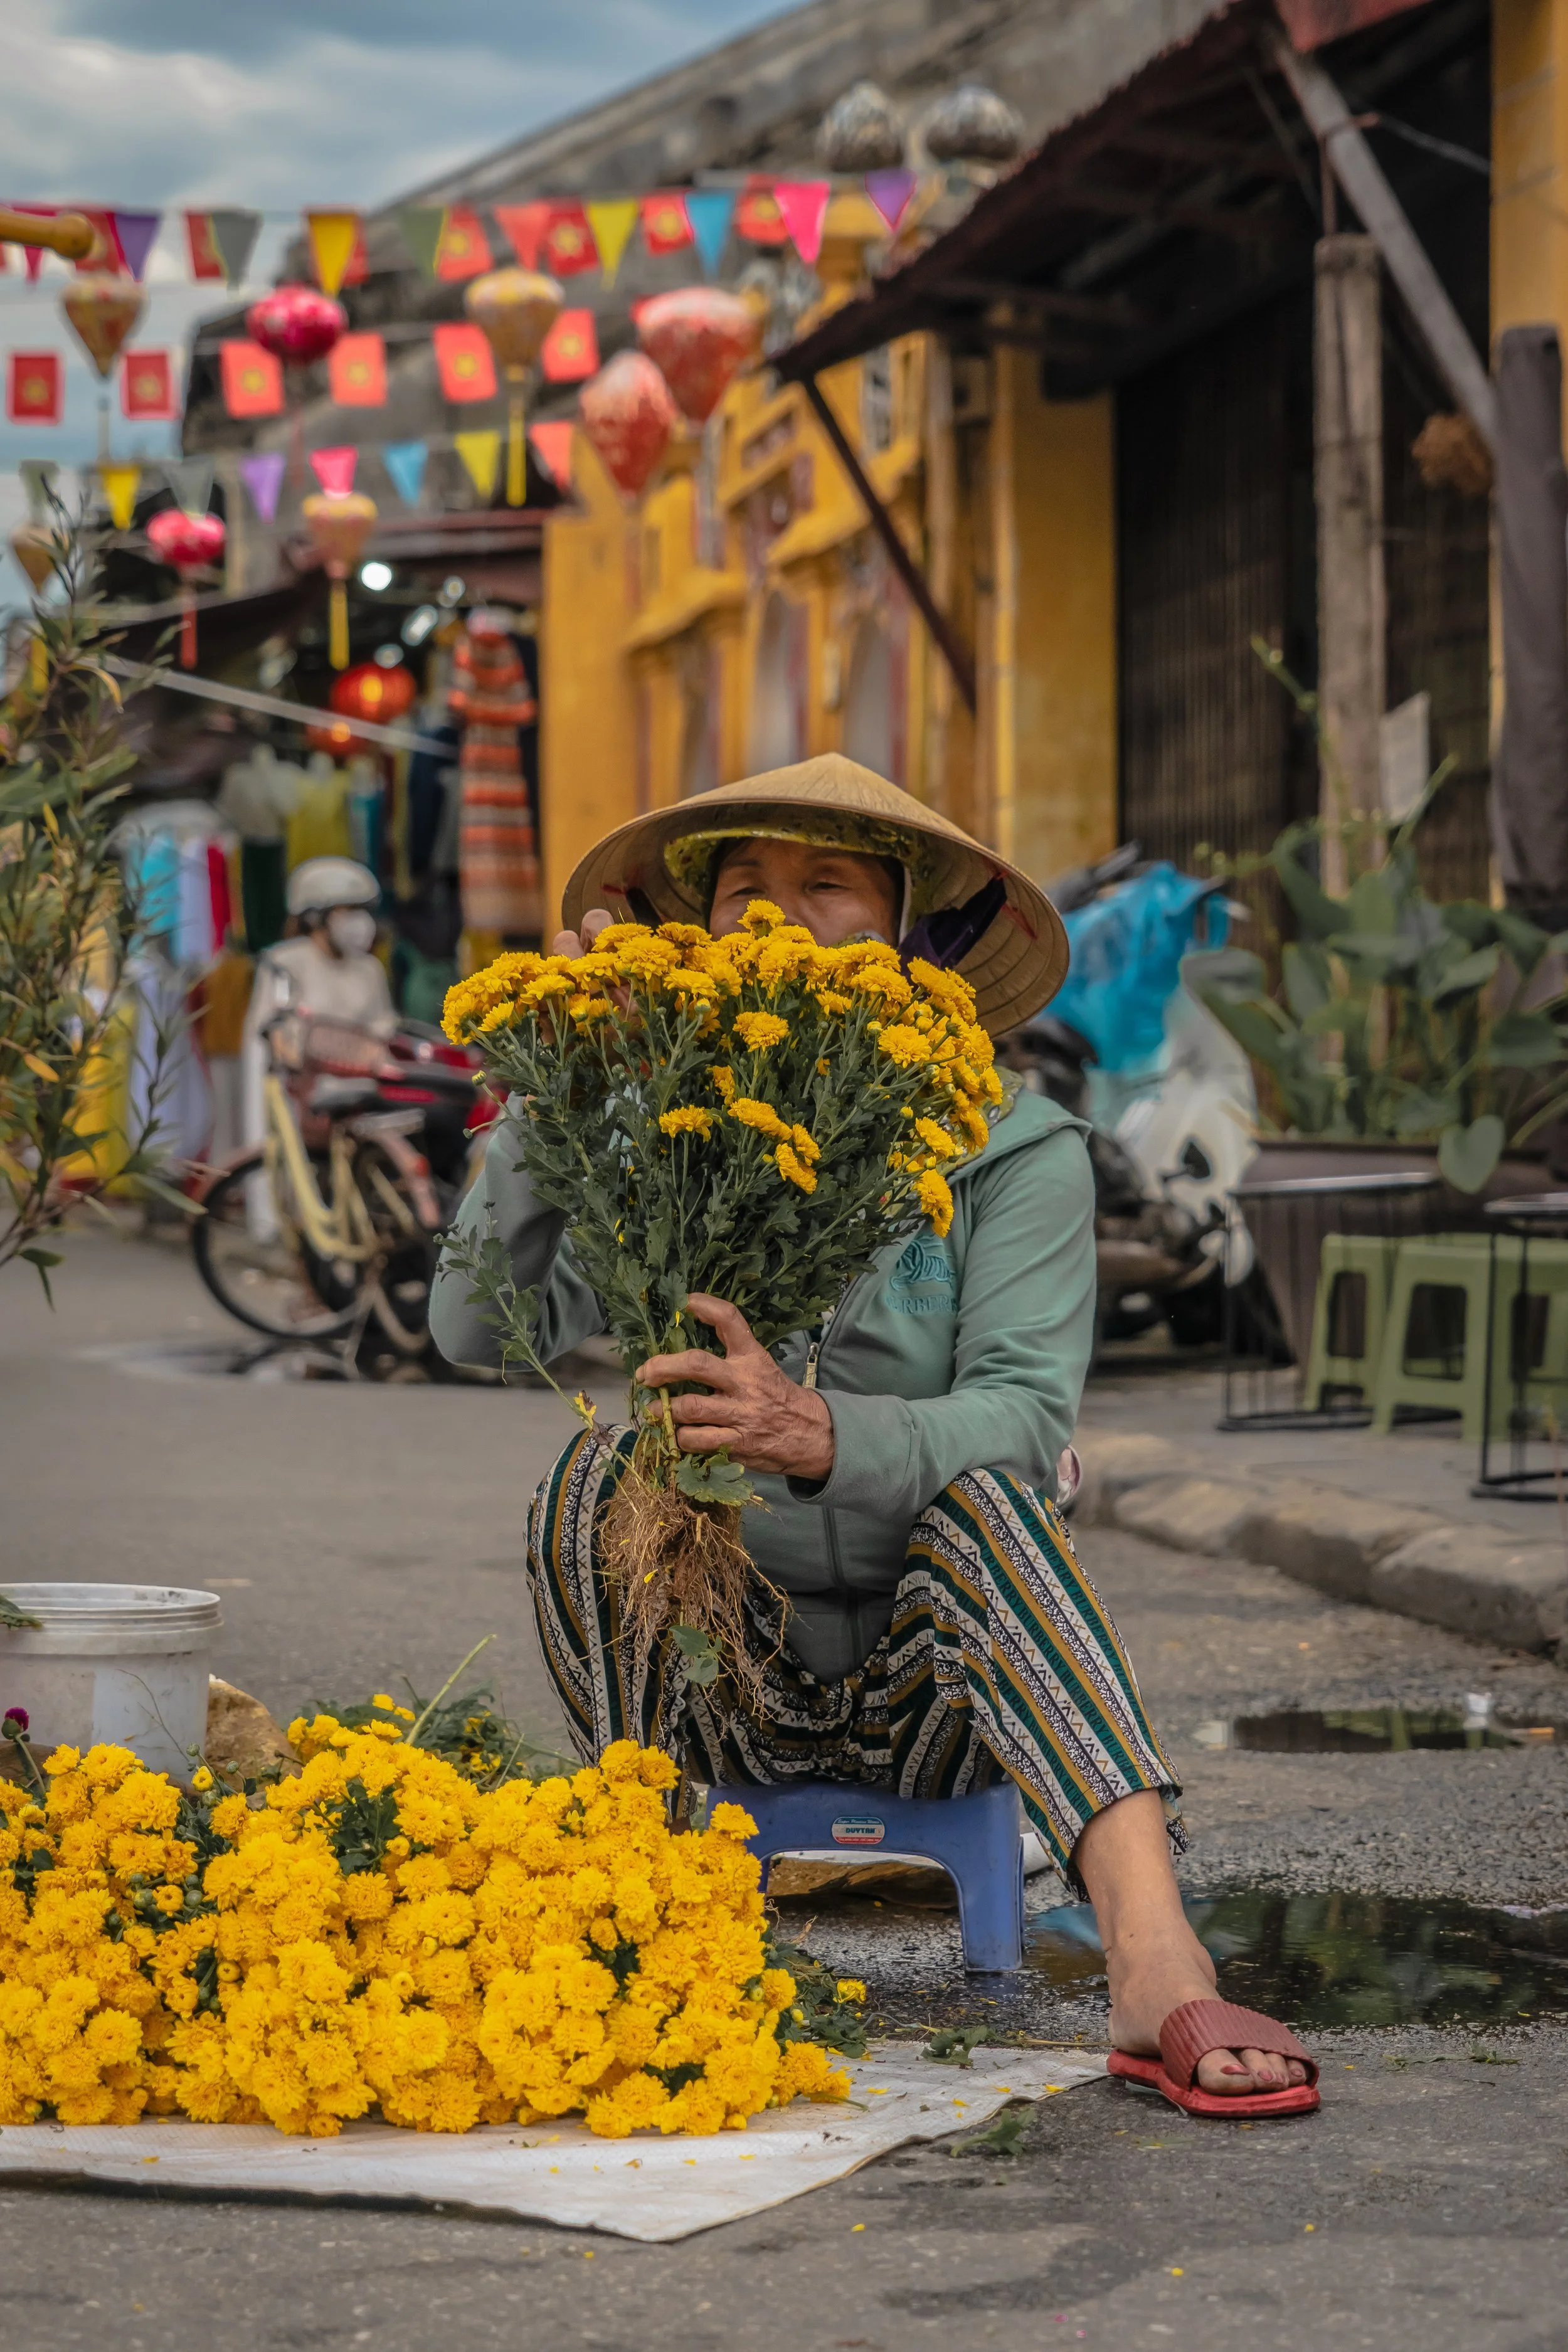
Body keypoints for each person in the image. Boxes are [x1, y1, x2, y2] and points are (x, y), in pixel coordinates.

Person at [430, 755, 1316, 2117]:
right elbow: (476, 1334)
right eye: (743, 891)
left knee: (992, 1501)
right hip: (715, 1671)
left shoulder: (1015, 1147)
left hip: (941, 1696)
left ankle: (1151, 1958)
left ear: (904, 929)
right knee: (591, 1478)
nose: (777, 916)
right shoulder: (647, 1120)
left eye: (823, 883)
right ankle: (645, 1898)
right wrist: (556, 1091)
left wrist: (815, 1430)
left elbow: (1021, 1418)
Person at [238, 856, 392, 1239]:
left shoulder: (369, 969)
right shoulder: (284, 963)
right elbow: (274, 1029)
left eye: (363, 912)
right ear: (316, 916)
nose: (359, 923)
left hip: (359, 1084)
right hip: (303, 1087)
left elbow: (384, 1026)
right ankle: (281, 1229)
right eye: (348, 911)